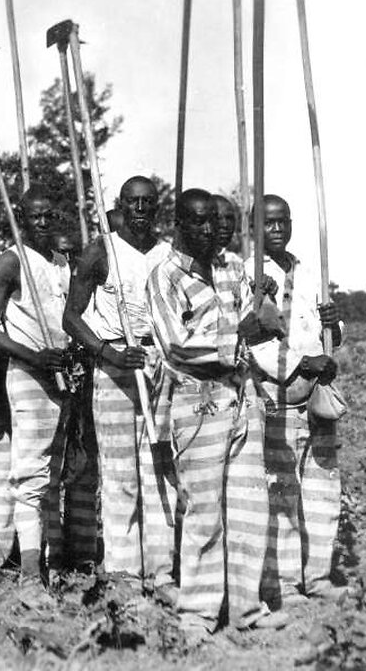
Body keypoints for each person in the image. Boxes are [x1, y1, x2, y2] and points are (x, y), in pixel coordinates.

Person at [147, 188, 288, 640]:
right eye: (199, 222)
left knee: (249, 505)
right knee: (205, 511)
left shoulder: (232, 267)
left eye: (214, 221)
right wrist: (237, 339)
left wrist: (262, 306)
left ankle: (247, 609)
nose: (210, 230)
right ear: (181, 225)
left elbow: (258, 323)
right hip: (198, 401)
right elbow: (178, 346)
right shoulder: (163, 276)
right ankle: (199, 615)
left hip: (244, 396)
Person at [63, 175, 176, 597]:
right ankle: (125, 571)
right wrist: (107, 353)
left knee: (159, 468)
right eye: (133, 202)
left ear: (157, 207)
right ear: (121, 205)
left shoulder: (169, 254)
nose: (141, 210)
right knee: (120, 473)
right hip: (113, 366)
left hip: (160, 365)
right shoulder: (101, 250)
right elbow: (71, 318)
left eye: (148, 202)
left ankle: (161, 569)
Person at [0, 187, 77, 610]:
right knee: (29, 474)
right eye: (36, 217)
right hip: (30, 374)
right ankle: (31, 575)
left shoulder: (61, 261)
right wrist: (35, 356)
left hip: (64, 375)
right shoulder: (12, 260)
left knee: (57, 471)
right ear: (21, 218)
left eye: (51, 215)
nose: (45, 223)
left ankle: (53, 560)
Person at [246, 194, 347, 607]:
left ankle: (318, 575)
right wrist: (302, 363)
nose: (276, 229)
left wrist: (333, 327)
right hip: (280, 395)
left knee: (323, 487)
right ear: (254, 229)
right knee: (283, 490)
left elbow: (331, 332)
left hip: (317, 396)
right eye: (267, 223)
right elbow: (256, 343)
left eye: (282, 221)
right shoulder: (251, 277)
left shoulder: (308, 271)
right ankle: (285, 583)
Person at [212, 194, 244, 268]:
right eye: (217, 218)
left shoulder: (236, 264)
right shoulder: (185, 266)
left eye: (229, 218)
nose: (225, 224)